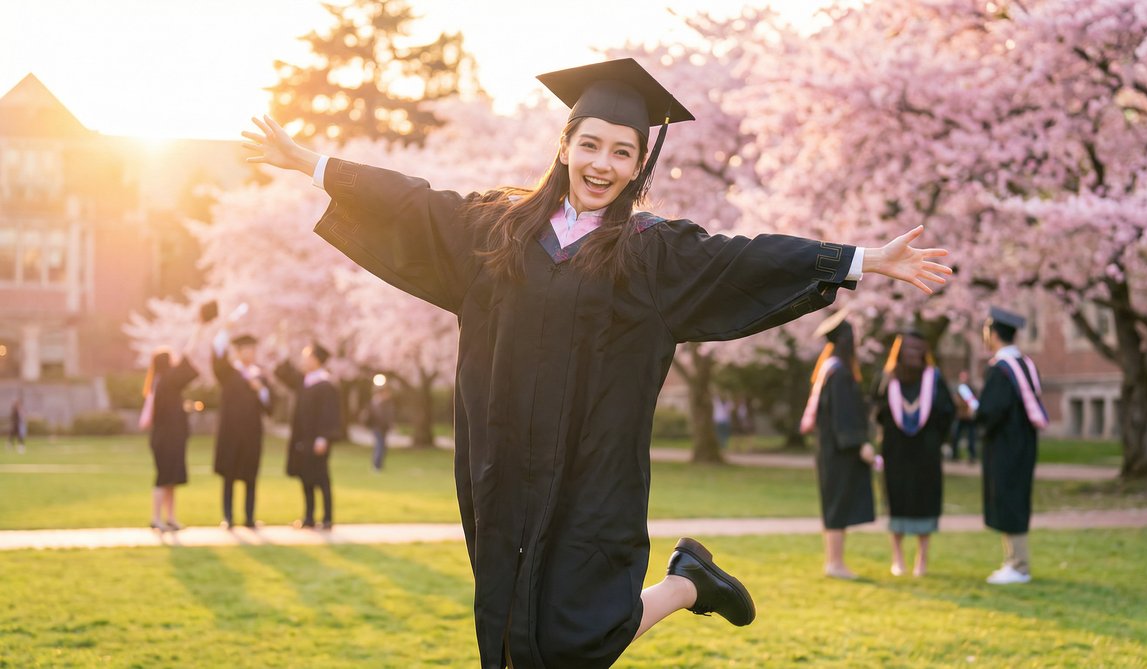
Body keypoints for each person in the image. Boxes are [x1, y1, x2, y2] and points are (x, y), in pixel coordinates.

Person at [242, 57, 951, 667]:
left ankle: (687, 585)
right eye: (591, 145)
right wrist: (311, 162)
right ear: (564, 144)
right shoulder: (500, 231)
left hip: (592, 474)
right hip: (505, 465)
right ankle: (689, 582)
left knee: (579, 640)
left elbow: (743, 259)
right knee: (515, 631)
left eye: (622, 152)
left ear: (640, 163)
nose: (602, 164)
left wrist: (857, 260)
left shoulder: (652, 255)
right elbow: (416, 206)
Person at [972, 306, 1046, 585]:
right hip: (1024, 443)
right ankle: (1014, 562)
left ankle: (1017, 565)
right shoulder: (1027, 364)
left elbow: (991, 411)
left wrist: (975, 414)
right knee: (1017, 497)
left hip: (1005, 446)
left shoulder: (1001, 369)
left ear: (992, 334)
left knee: (1009, 499)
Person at [800, 307, 877, 579]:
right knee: (837, 504)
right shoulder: (840, 373)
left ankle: (834, 561)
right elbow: (844, 416)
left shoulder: (827, 370)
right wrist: (860, 444)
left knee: (833, 502)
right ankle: (834, 563)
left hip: (829, 449)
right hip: (840, 451)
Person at [874, 331, 955, 577]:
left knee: (924, 501)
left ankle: (922, 558)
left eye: (917, 349)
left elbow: (946, 412)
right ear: (899, 352)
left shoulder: (934, 378)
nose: (913, 354)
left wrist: (936, 440)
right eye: (908, 349)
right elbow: (877, 410)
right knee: (897, 500)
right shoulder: (889, 379)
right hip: (896, 452)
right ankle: (897, 556)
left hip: (926, 453)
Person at [275, 342, 341, 530]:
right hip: (303, 439)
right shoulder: (305, 381)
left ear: (316, 360)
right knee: (306, 478)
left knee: (321, 478)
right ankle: (309, 517)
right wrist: (281, 354)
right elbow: (283, 375)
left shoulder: (326, 384)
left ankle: (327, 517)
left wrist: (323, 438)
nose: (303, 361)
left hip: (318, 439)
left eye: (307, 357)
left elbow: (329, 415)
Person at [212, 330, 273, 529]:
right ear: (237, 352)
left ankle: (249, 517)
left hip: (252, 434)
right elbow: (218, 359)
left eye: (253, 350)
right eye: (247, 350)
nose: (251, 354)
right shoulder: (229, 373)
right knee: (229, 477)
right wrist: (224, 333)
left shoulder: (259, 376)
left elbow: (270, 406)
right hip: (231, 433)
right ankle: (228, 517)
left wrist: (261, 390)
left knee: (250, 477)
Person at [140, 347, 199, 532]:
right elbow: (186, 366)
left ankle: (170, 518)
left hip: (168, 438)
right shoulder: (166, 380)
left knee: (171, 480)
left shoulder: (160, 383)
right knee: (163, 478)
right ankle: (156, 518)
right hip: (166, 439)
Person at [950, 370, 979, 463]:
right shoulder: (957, 388)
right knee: (955, 436)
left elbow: (974, 402)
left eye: (966, 377)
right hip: (959, 416)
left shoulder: (971, 388)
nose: (964, 379)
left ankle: (972, 456)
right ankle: (954, 455)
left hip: (969, 417)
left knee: (971, 438)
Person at [365, 385, 395, 471]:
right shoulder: (377, 402)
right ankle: (376, 465)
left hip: (383, 427)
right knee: (379, 445)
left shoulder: (386, 403)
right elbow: (377, 416)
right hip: (378, 427)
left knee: (382, 446)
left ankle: (379, 464)